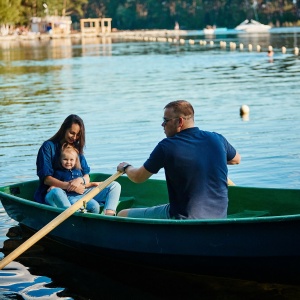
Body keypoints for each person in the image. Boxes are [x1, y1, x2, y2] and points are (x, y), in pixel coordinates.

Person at [117, 100, 241, 220]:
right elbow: (236, 160)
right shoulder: (217, 139)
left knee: (122, 214)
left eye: (165, 120)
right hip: (219, 217)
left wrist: (126, 167)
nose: (162, 125)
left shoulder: (166, 147)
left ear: (180, 121)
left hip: (184, 218)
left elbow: (138, 177)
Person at [34, 114, 121, 216]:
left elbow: (86, 175)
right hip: (56, 193)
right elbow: (47, 179)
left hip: (79, 192)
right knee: (57, 191)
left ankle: (109, 216)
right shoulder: (48, 147)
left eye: (78, 134)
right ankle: (71, 216)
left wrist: (80, 180)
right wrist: (70, 186)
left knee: (114, 185)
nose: (75, 137)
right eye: (72, 133)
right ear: (64, 129)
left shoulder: (75, 149)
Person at [47, 143, 102, 213]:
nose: (68, 162)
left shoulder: (78, 172)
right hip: (69, 197)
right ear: (61, 160)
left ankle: (92, 221)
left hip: (82, 195)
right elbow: (56, 185)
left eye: (71, 160)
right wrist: (52, 187)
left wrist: (92, 184)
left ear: (76, 161)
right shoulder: (59, 173)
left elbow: (83, 186)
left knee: (95, 206)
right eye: (65, 159)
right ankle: (77, 219)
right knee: (75, 208)